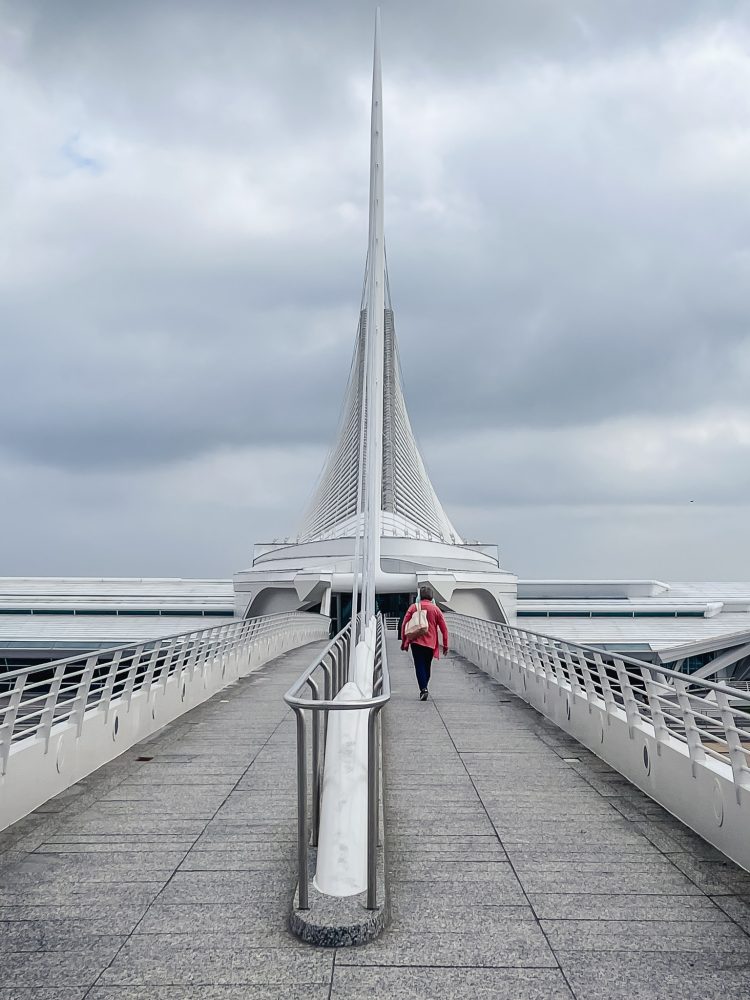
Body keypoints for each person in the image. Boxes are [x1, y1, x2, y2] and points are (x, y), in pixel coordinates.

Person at [401, 584, 449, 701]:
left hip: (416, 642)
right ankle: (424, 686)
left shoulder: (413, 607)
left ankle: (423, 688)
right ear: (431, 597)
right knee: (427, 666)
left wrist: (404, 641)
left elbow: (404, 624)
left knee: (419, 665)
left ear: (420, 596)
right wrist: (446, 644)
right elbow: (444, 628)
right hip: (431, 643)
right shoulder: (436, 609)